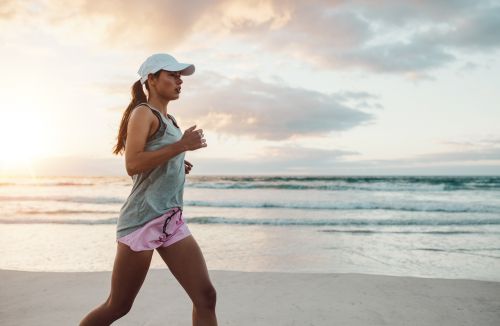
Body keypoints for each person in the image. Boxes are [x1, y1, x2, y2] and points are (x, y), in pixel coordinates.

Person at [80, 53, 218, 326]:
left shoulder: (171, 120)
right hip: (142, 222)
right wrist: (180, 147)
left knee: (206, 296)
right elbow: (132, 164)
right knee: (118, 306)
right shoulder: (143, 113)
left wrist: (178, 162)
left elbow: (155, 156)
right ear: (152, 80)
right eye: (173, 74)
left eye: (181, 76)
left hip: (171, 220)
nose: (179, 80)